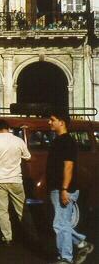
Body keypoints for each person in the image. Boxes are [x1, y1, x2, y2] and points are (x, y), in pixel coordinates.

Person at [47, 110, 94, 264]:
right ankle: (82, 244)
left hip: (64, 188)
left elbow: (68, 166)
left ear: (62, 122)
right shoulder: (58, 140)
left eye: (52, 119)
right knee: (62, 223)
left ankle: (66, 258)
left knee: (59, 224)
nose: (49, 122)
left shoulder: (67, 142)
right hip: (57, 188)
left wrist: (64, 189)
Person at [0, 119, 31, 246]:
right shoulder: (18, 140)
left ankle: (7, 237)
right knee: (22, 209)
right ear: (9, 128)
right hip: (15, 179)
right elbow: (28, 157)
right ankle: (30, 236)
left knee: (1, 210)